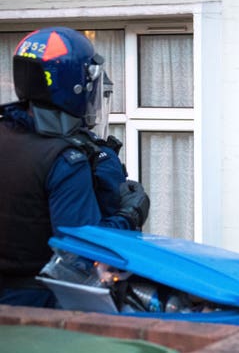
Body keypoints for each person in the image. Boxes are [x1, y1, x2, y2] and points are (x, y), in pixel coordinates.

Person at [0, 27, 150, 308]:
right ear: (74, 85)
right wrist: (130, 214)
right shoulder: (65, 159)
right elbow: (82, 248)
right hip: (36, 308)